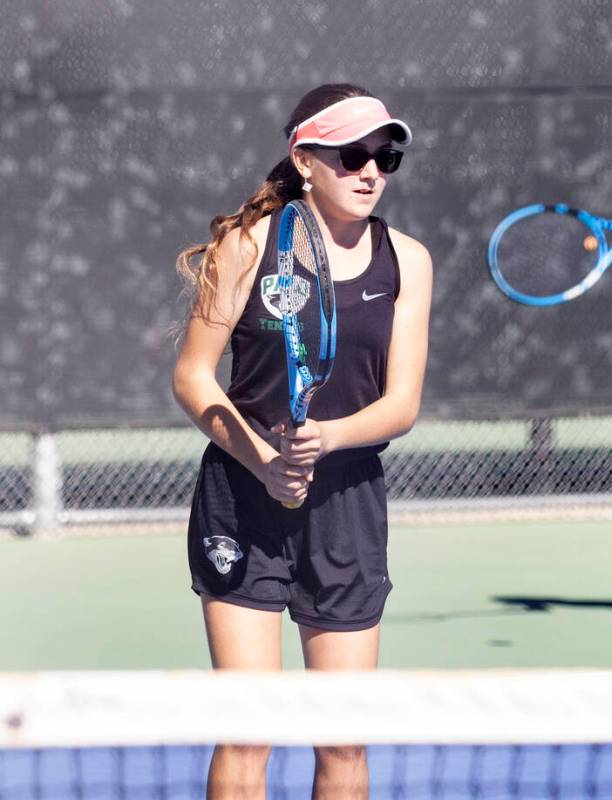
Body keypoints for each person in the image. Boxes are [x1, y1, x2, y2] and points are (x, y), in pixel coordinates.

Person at [172, 84, 432, 798]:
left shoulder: (407, 259)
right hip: (241, 503)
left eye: (386, 155)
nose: (371, 170)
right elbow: (193, 378)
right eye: (352, 155)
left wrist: (325, 439)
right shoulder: (245, 246)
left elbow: (402, 403)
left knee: (343, 741)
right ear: (306, 160)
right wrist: (262, 462)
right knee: (248, 729)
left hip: (346, 510)